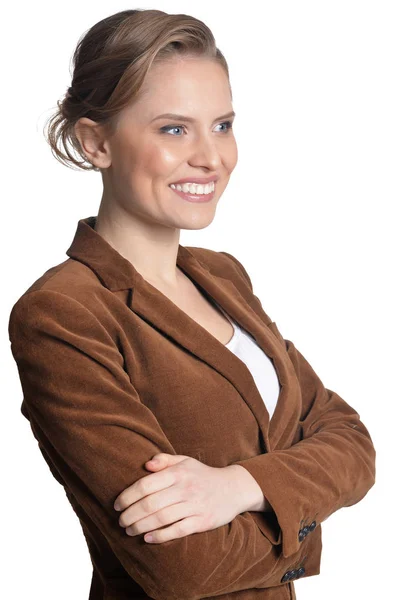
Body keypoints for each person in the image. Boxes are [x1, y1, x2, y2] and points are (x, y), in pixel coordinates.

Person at [8, 8, 376, 600]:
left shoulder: (223, 277)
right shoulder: (64, 314)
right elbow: (182, 567)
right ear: (95, 142)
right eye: (174, 129)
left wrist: (240, 486)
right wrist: (303, 532)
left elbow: (353, 442)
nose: (212, 157)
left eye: (223, 125)